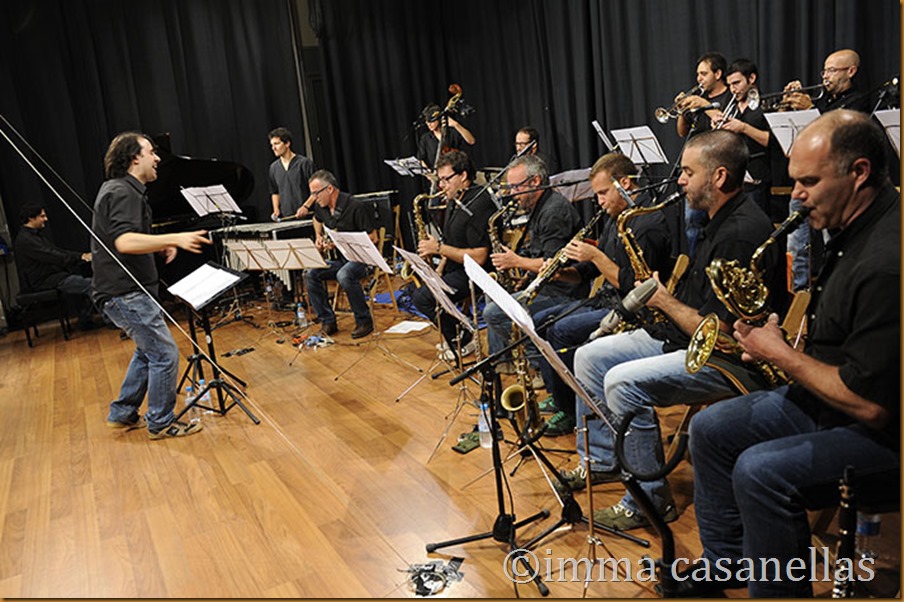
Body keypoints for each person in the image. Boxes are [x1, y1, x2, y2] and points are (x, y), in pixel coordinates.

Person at [685, 110, 899, 598]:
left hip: (881, 431)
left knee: (761, 472)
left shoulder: (888, 262)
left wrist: (781, 356)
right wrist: (784, 341)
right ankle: (728, 566)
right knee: (709, 428)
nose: (795, 195)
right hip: (831, 402)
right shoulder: (849, 227)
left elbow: (872, 404)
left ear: (860, 172)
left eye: (807, 181)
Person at [565, 130, 786, 530]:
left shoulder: (739, 233)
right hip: (684, 336)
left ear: (718, 177)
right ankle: (603, 460)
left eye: (687, 171)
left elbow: (717, 332)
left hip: (726, 357)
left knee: (620, 382)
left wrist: (663, 300)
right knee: (588, 356)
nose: (679, 179)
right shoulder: (716, 220)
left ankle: (649, 501)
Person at [530, 153, 672, 438]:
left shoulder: (649, 222)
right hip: (606, 299)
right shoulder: (614, 218)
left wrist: (594, 255)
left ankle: (571, 409)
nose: (599, 201)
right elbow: (590, 272)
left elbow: (636, 287)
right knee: (540, 322)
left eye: (603, 193)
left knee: (561, 330)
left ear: (626, 184)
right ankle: (565, 398)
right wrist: (563, 272)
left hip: (634, 309)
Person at [92, 132, 211, 439]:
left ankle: (122, 412)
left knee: (148, 352)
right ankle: (161, 422)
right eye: (151, 152)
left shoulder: (123, 190)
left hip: (126, 291)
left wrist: (157, 246)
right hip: (124, 292)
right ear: (134, 158)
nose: (157, 158)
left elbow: (129, 237)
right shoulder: (122, 192)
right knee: (164, 354)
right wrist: (173, 238)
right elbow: (124, 241)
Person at [782, 49, 872, 292]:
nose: (825, 77)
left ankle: (836, 289)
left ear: (851, 71)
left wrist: (811, 109)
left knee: (832, 241)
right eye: (825, 71)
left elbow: (842, 135)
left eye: (832, 70)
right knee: (795, 241)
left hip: (835, 186)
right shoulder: (823, 101)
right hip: (807, 183)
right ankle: (797, 293)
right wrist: (791, 106)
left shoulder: (859, 101)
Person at [483, 154, 582, 367]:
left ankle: (541, 362)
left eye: (516, 188)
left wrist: (516, 261)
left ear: (535, 181)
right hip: (547, 287)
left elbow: (552, 264)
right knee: (495, 299)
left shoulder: (554, 211)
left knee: (493, 313)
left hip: (563, 293)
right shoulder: (540, 207)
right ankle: (504, 363)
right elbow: (540, 252)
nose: (512, 194)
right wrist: (526, 278)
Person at [409, 150, 495, 362]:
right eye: (440, 180)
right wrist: (437, 268)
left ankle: (463, 339)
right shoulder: (454, 200)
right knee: (415, 289)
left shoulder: (479, 202)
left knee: (424, 298)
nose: (441, 186)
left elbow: (480, 257)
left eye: (446, 179)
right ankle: (457, 334)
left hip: (477, 273)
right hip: (455, 267)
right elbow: (450, 242)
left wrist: (437, 248)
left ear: (463, 176)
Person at [303, 170, 377, 339]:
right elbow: (316, 219)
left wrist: (346, 241)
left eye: (316, 193)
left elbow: (373, 238)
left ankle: (364, 320)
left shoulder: (355, 206)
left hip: (362, 260)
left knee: (343, 274)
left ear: (329, 189)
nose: (314, 198)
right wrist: (319, 236)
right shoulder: (321, 208)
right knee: (310, 273)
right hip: (342, 259)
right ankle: (328, 321)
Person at [14, 203, 97, 329]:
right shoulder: (26, 240)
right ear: (31, 218)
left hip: (54, 276)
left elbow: (57, 251)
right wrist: (79, 257)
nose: (46, 219)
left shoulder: (34, 236)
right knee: (91, 285)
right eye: (42, 216)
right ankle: (112, 320)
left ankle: (85, 319)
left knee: (87, 280)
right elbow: (52, 256)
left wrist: (81, 255)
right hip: (46, 280)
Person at [714, 59, 773, 215]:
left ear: (751, 79)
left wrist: (743, 127)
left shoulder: (766, 104)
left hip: (757, 176)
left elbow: (771, 141)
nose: (733, 89)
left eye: (737, 83)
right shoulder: (730, 105)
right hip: (734, 177)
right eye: (730, 85)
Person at [676, 52, 733, 139]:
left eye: (704, 74)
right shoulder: (699, 97)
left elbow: (726, 123)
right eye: (698, 74)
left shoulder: (732, 95)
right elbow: (682, 133)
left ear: (718, 74)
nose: (699, 79)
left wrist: (703, 104)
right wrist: (681, 112)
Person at [268, 127, 316, 221]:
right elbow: (275, 192)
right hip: (286, 218)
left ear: (287, 144)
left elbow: (316, 191)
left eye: (277, 144)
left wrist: (305, 207)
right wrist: (276, 209)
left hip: (307, 218)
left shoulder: (304, 163)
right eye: (272, 145)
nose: (273, 148)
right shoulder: (273, 168)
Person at [416, 103, 476, 175]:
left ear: (439, 119)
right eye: (426, 122)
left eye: (431, 121)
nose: (428, 124)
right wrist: (429, 173)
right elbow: (421, 158)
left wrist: (456, 124)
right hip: (436, 175)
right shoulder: (425, 138)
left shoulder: (452, 133)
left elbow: (471, 141)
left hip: (455, 174)